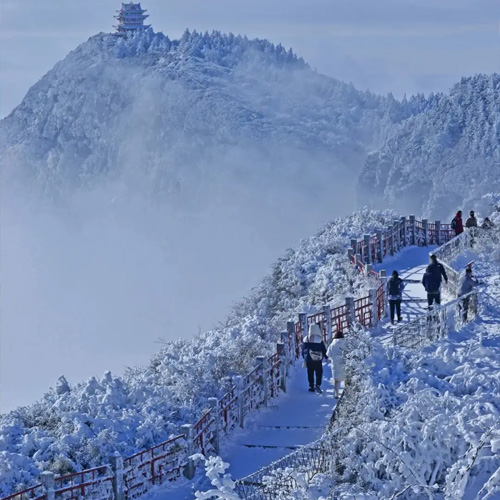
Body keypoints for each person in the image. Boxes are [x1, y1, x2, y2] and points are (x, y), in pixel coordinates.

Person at [302, 323, 328, 393]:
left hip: (309, 359)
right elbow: (323, 349)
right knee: (319, 372)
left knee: (310, 372)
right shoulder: (319, 339)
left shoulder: (306, 339)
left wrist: (304, 357)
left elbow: (303, 349)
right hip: (317, 359)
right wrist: (326, 356)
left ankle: (311, 386)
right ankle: (318, 385)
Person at [326, 331, 345, 399]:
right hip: (344, 365)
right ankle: (345, 394)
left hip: (335, 366)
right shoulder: (345, 343)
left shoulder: (332, 345)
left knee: (336, 381)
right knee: (346, 379)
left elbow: (328, 354)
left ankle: (336, 394)